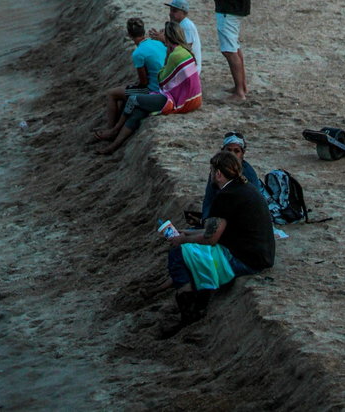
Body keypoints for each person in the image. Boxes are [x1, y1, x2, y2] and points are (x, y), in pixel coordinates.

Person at [156, 150, 275, 329]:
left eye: (212, 171)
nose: (211, 175)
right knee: (189, 243)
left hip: (246, 260)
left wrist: (182, 240)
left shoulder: (225, 197)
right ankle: (197, 294)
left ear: (218, 173)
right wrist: (187, 234)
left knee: (178, 253)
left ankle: (190, 310)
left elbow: (211, 238)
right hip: (259, 254)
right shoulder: (244, 187)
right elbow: (216, 231)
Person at [96, 21, 201, 155]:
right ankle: (114, 145)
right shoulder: (183, 50)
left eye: (163, 33)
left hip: (179, 101)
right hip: (191, 98)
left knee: (133, 99)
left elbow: (161, 79)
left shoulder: (174, 55)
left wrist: (166, 57)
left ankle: (114, 130)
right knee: (138, 112)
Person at [93, 17, 167, 140]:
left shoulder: (138, 54)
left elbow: (144, 82)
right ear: (143, 31)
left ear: (129, 34)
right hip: (164, 86)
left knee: (111, 94)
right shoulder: (158, 43)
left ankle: (110, 130)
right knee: (124, 95)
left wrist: (135, 85)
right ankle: (116, 125)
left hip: (152, 91)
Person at [151, 0, 201, 71]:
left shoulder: (187, 26)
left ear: (184, 12)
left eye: (174, 11)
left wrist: (164, 39)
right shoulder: (179, 24)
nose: (170, 13)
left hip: (190, 68)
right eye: (171, 10)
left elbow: (186, 48)